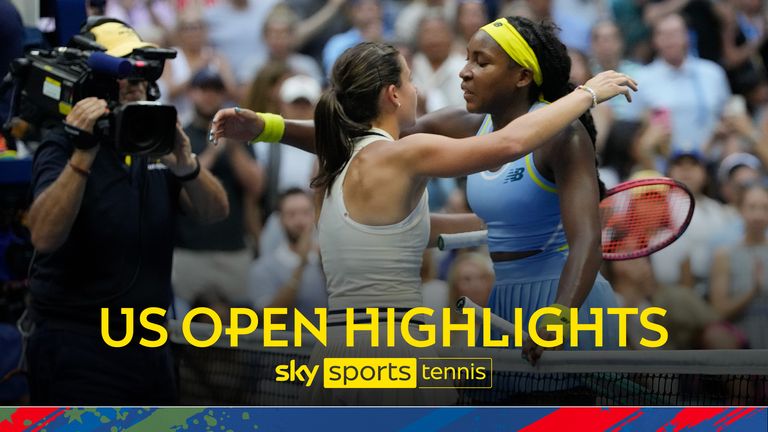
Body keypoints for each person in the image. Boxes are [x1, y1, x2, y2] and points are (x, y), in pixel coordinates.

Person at [213, 31, 635, 384]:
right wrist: (586, 94)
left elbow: (421, 230)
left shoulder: (346, 158)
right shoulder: (404, 154)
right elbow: (508, 144)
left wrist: (267, 126)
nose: (424, 87)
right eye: (411, 81)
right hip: (391, 350)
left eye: (480, 62)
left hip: (337, 352)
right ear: (394, 94)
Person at [24, 18, 229, 405]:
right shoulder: (61, 146)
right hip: (78, 346)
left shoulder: (153, 142)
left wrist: (186, 164)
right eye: (123, 74)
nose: (134, 85)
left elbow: (214, 212)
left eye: (139, 74)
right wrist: (83, 154)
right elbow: (44, 235)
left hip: (150, 346)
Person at [173, 68, 263, 308]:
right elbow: (179, 184)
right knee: (186, 335)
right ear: (191, 94)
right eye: (203, 90)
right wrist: (212, 154)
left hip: (232, 248)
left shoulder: (240, 139)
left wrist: (233, 146)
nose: (209, 96)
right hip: (188, 249)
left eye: (215, 91)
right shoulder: (181, 137)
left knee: (238, 335)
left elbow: (256, 186)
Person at [248, 188, 326, 326]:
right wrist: (301, 263)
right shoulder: (263, 268)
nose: (299, 221)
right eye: (291, 214)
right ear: (280, 220)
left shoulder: (328, 260)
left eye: (306, 213)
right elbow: (270, 320)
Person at [709, 183, 768, 349]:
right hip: (740, 337)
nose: (759, 215)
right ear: (741, 210)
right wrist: (752, 292)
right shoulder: (724, 255)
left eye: (765, 208)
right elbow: (719, 311)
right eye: (752, 207)